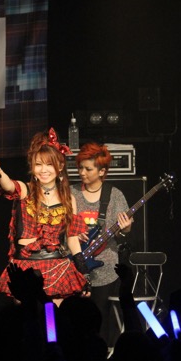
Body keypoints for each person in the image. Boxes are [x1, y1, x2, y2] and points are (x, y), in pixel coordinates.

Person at [0, 128, 88, 304]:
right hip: (25, 266)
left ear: (60, 167)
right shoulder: (25, 190)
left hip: (57, 267)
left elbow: (72, 239)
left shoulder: (68, 199)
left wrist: (84, 272)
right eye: (38, 164)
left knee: (52, 319)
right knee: (28, 318)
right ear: (32, 167)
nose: (44, 170)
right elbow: (9, 186)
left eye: (49, 164)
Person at [71, 142, 133, 346]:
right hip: (75, 267)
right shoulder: (71, 193)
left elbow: (124, 232)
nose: (82, 172)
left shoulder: (114, 195)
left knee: (100, 317)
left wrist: (125, 229)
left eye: (88, 169)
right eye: (80, 167)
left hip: (106, 268)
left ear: (102, 171)